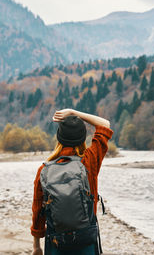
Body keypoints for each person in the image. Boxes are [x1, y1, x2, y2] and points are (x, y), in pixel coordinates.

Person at [31, 109, 113, 255]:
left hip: (55, 241)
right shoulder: (89, 161)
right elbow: (105, 125)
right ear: (83, 138)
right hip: (86, 238)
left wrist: (36, 246)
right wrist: (74, 113)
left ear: (59, 138)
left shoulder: (44, 170)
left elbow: (38, 212)